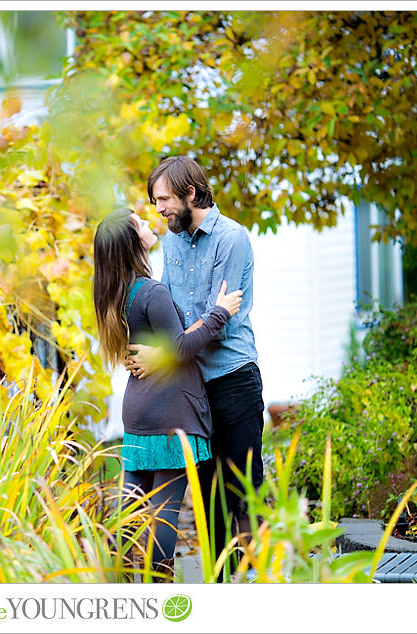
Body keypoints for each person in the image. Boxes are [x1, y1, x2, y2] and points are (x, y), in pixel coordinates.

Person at [124, 156, 264, 581]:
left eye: (164, 199)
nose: (159, 209)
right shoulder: (171, 239)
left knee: (241, 494)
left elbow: (213, 319)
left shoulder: (231, 239)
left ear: (190, 193)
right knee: (206, 499)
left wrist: (166, 352)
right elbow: (171, 315)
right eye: (154, 201)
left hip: (233, 379)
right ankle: (219, 587)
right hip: (191, 387)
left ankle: (249, 586)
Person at [92, 207, 242, 581]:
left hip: (138, 412)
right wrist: (219, 314)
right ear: (132, 242)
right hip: (170, 413)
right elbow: (179, 348)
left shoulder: (113, 292)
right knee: (164, 512)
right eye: (139, 224)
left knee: (131, 508)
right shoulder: (152, 292)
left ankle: (122, 581)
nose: (148, 223)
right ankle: (159, 585)